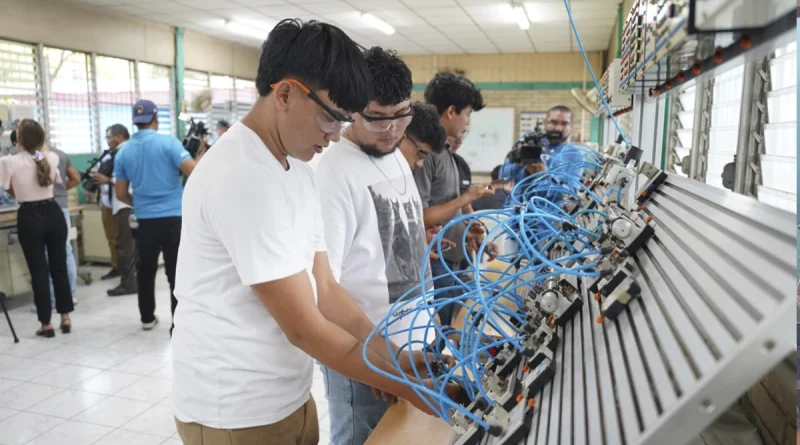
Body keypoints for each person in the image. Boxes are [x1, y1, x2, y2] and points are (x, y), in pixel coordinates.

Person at [171, 20, 453, 445]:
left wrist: (392, 359)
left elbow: (326, 289)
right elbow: (303, 326)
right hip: (235, 410)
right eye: (330, 118)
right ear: (284, 93)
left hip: (288, 394)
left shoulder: (297, 167)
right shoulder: (244, 177)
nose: (335, 135)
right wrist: (410, 388)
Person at [315, 49, 451, 445]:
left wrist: (434, 317)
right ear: (349, 109)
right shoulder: (332, 173)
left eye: (401, 115)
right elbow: (326, 291)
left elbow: (412, 244)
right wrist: (373, 359)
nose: (391, 130)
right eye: (376, 118)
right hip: (368, 360)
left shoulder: (395, 157)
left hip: (415, 343)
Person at [413, 71, 494, 326]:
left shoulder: (446, 153)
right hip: (438, 265)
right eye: (467, 113)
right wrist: (466, 198)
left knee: (454, 330)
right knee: (438, 337)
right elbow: (420, 215)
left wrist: (466, 227)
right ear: (450, 111)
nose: (467, 122)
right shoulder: (427, 154)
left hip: (454, 262)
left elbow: (446, 203)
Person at [114, 99, 196, 332]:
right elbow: (194, 172)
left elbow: (120, 193)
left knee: (146, 270)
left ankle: (147, 318)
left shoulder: (124, 151)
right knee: (175, 272)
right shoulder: (168, 143)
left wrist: (140, 203)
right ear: (155, 118)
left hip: (144, 220)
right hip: (173, 219)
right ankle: (177, 323)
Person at [0, 120, 73, 337]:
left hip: (30, 216)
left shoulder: (8, 162)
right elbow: (56, 179)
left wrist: (23, 193)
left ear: (18, 140)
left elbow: (9, 188)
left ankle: (45, 323)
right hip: (53, 212)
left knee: (38, 270)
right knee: (59, 267)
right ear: (42, 138)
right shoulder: (50, 157)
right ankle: (66, 317)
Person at [95, 124, 137, 297]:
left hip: (125, 204)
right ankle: (127, 279)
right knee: (122, 244)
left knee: (125, 246)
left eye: (109, 137)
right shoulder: (117, 153)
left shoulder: (124, 153)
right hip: (121, 203)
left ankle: (129, 284)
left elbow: (128, 180)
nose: (108, 141)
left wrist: (108, 180)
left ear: (119, 136)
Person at [500, 105, 586, 182]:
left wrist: (546, 176)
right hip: (518, 199)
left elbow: (571, 191)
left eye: (564, 124)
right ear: (544, 123)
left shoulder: (575, 157)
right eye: (553, 122)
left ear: (571, 126)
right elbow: (503, 177)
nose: (558, 129)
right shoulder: (528, 141)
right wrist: (518, 163)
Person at [46, 145, 80, 306]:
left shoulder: (28, 156)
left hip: (42, 207)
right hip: (62, 206)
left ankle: (54, 299)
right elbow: (76, 178)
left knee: (47, 253)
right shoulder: (60, 154)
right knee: (65, 250)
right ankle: (70, 294)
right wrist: (61, 191)